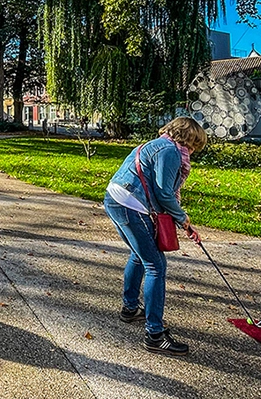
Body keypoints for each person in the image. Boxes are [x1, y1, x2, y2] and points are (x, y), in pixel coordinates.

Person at [104, 117, 207, 356]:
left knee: (140, 256)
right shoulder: (170, 151)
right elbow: (163, 193)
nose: (192, 152)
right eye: (193, 146)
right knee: (156, 265)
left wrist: (180, 221)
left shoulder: (152, 145)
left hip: (116, 199)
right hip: (131, 203)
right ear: (187, 138)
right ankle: (155, 335)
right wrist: (183, 219)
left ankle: (130, 309)